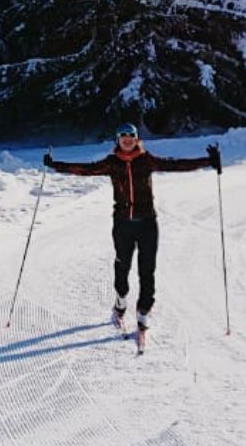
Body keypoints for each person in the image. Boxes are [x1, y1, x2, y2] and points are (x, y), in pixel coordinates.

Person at [43, 125, 221, 339]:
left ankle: (143, 314)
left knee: (147, 271)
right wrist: (55, 166)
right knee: (122, 266)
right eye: (123, 136)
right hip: (123, 225)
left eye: (131, 136)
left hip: (147, 223)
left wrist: (207, 161)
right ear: (117, 140)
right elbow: (85, 169)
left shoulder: (147, 160)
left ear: (137, 139)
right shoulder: (112, 163)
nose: (127, 140)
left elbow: (176, 165)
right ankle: (120, 304)